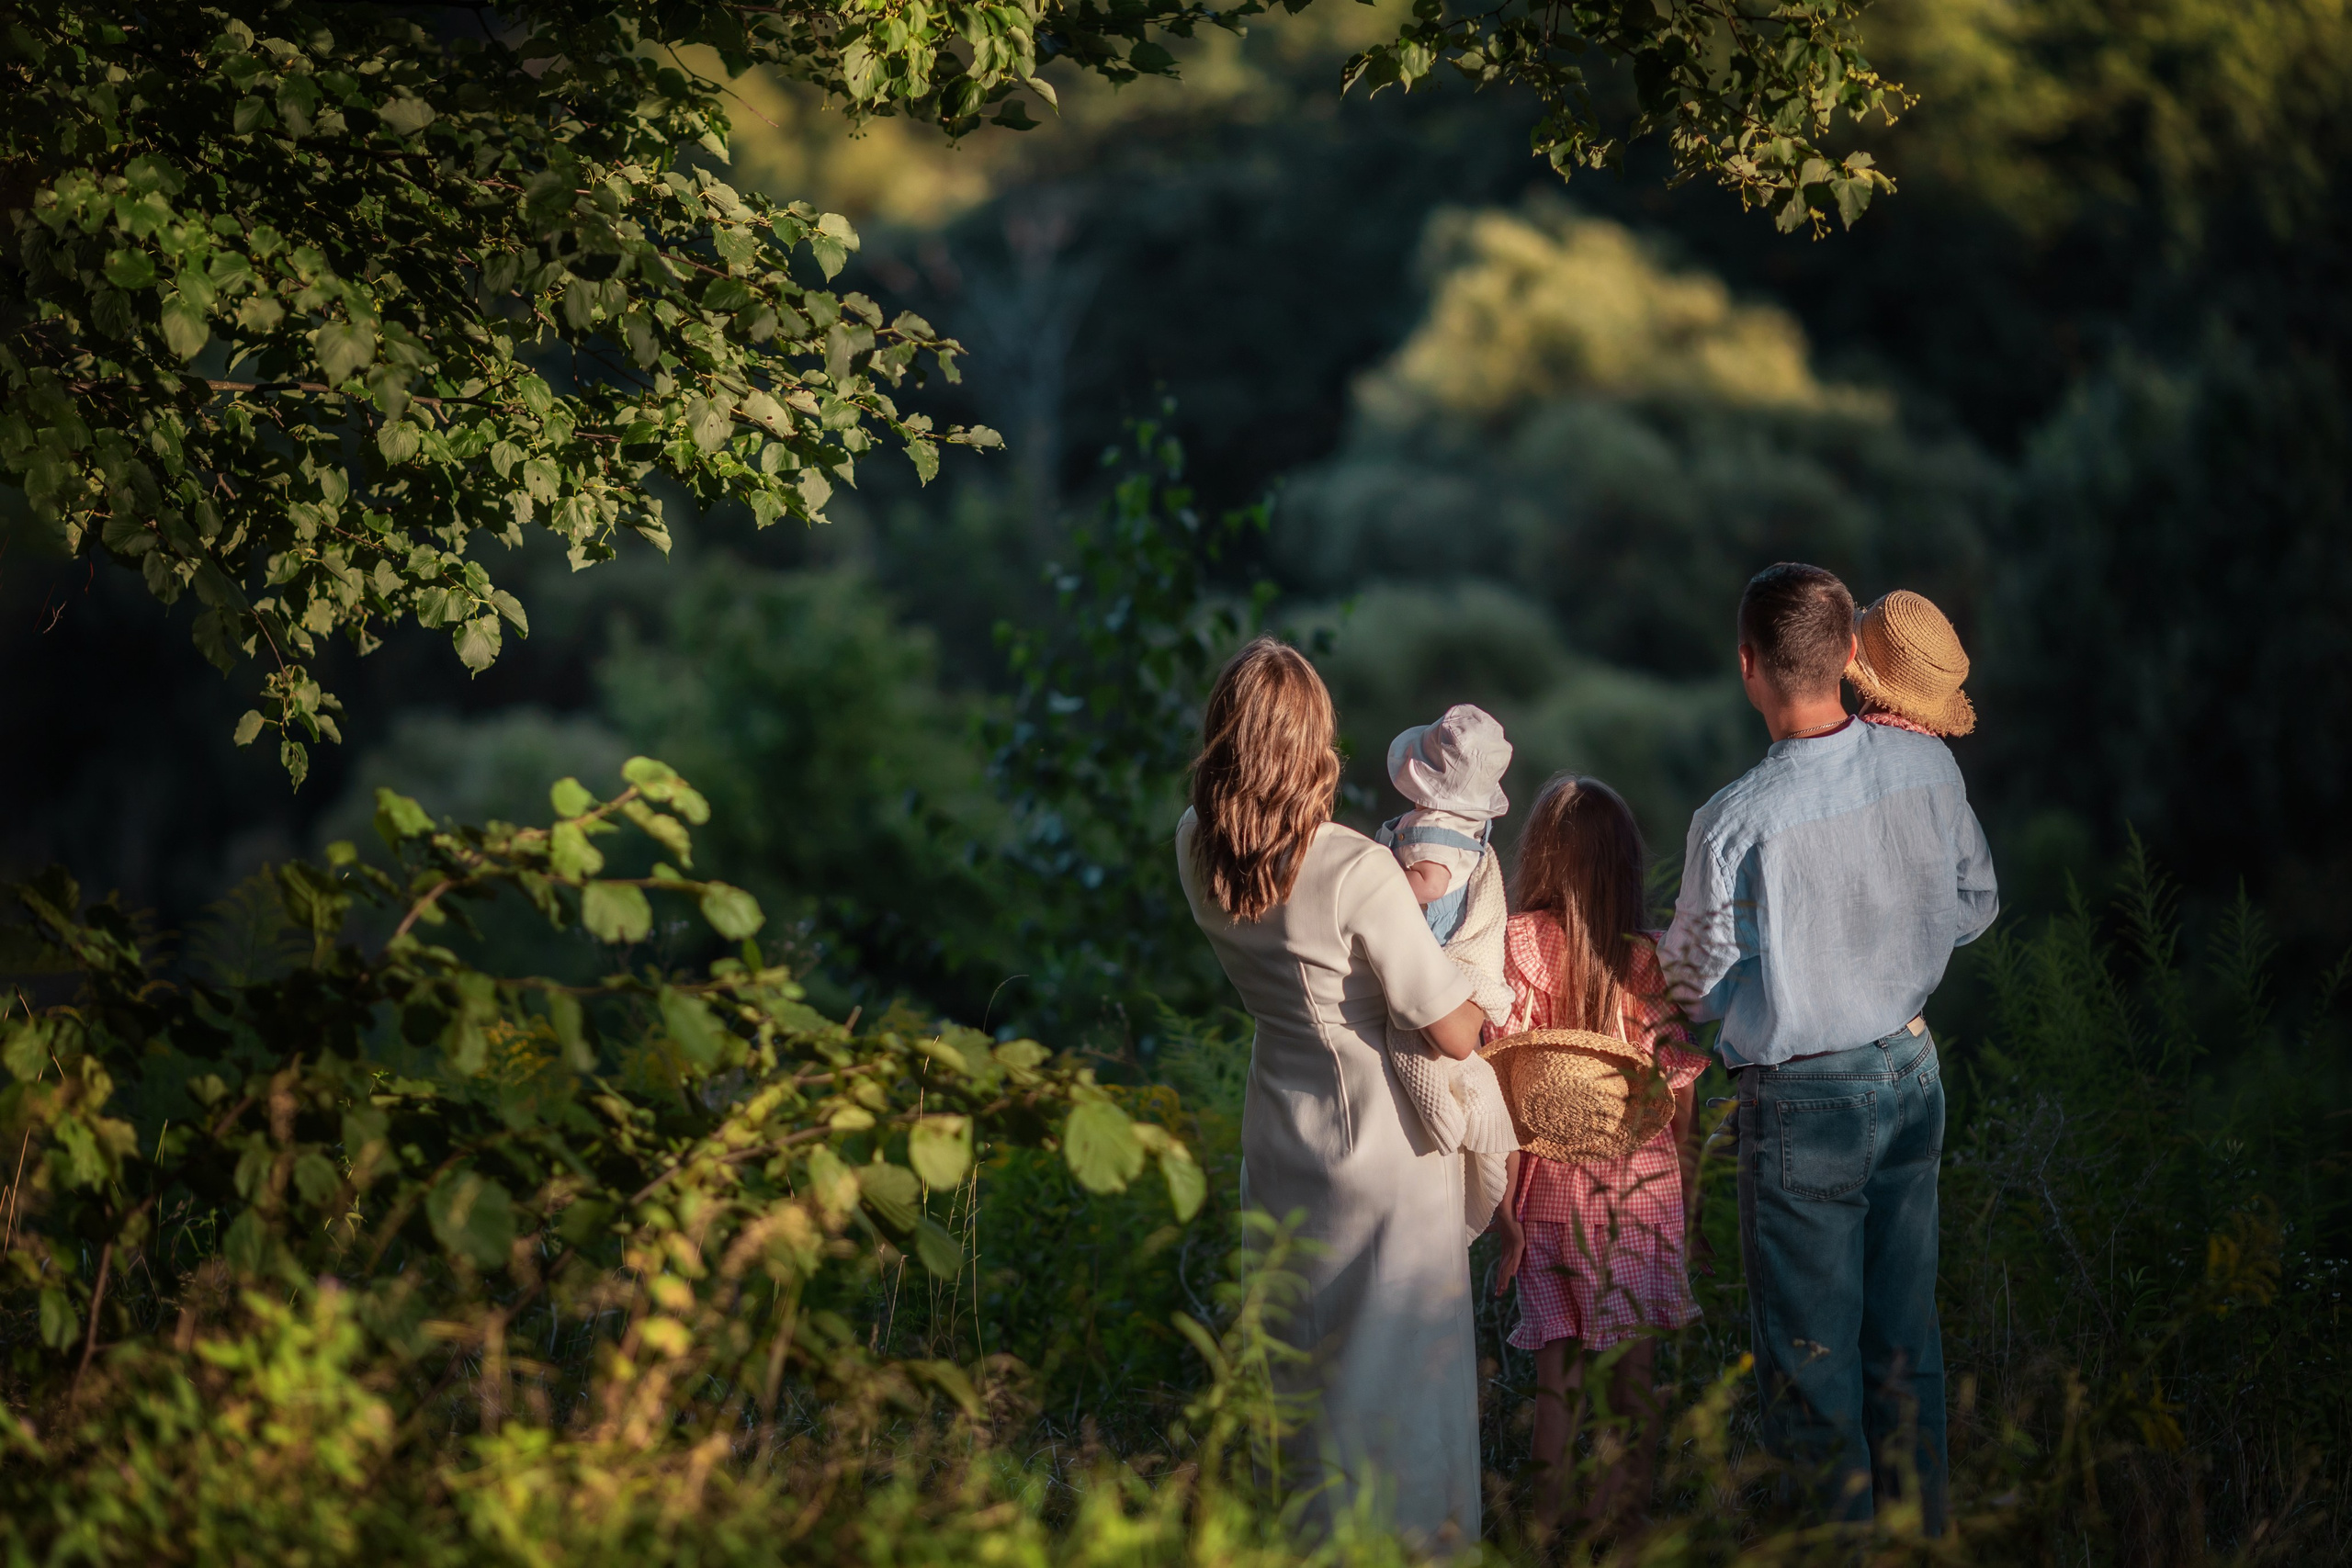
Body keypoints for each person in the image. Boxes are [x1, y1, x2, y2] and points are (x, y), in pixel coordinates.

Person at [1658, 563, 1997, 1532]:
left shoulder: (1731, 821)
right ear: (1853, 654)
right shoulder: (1930, 765)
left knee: (1812, 1374)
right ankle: (1918, 1547)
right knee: (1905, 1349)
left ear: (1746, 667)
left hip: (1804, 1102)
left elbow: (1695, 988)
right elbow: (1974, 904)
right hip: (1912, 1068)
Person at [1174, 636, 1491, 1546]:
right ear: (1311, 743)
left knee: (1304, 1374)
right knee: (1405, 1382)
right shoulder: (1358, 868)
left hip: (1280, 1128)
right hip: (1384, 1147)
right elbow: (1450, 1027)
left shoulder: (1197, 845)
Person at [1485, 774, 1711, 1535]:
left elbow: (1509, 1087)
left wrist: (1507, 1214)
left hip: (1546, 1185)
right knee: (1634, 1387)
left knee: (1557, 1387)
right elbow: (1678, 1097)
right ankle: (1626, 1542)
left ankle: (1544, 1536)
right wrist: (1691, 1197)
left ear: (1541, 858)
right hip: (1640, 1191)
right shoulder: (1647, 963)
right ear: (1625, 865)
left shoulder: (1516, 942)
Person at [1382, 704, 1514, 941]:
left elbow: (1432, 886)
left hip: (1427, 934)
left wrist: (1377, 882)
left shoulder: (1432, 829)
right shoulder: (1467, 821)